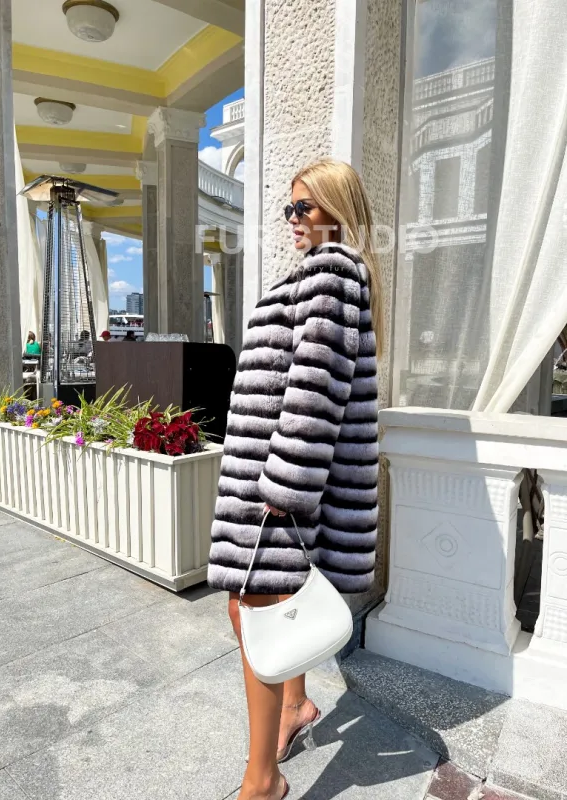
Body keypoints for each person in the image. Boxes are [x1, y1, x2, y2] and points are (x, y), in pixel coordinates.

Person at [207, 158, 383, 800]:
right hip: (271, 484)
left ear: (337, 210)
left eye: (303, 206)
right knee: (267, 607)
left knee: (255, 608)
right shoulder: (318, 274)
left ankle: (263, 782)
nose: (292, 218)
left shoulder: (331, 271)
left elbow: (315, 388)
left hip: (278, 491)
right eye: (288, 207)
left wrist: (284, 489)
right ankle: (295, 705)